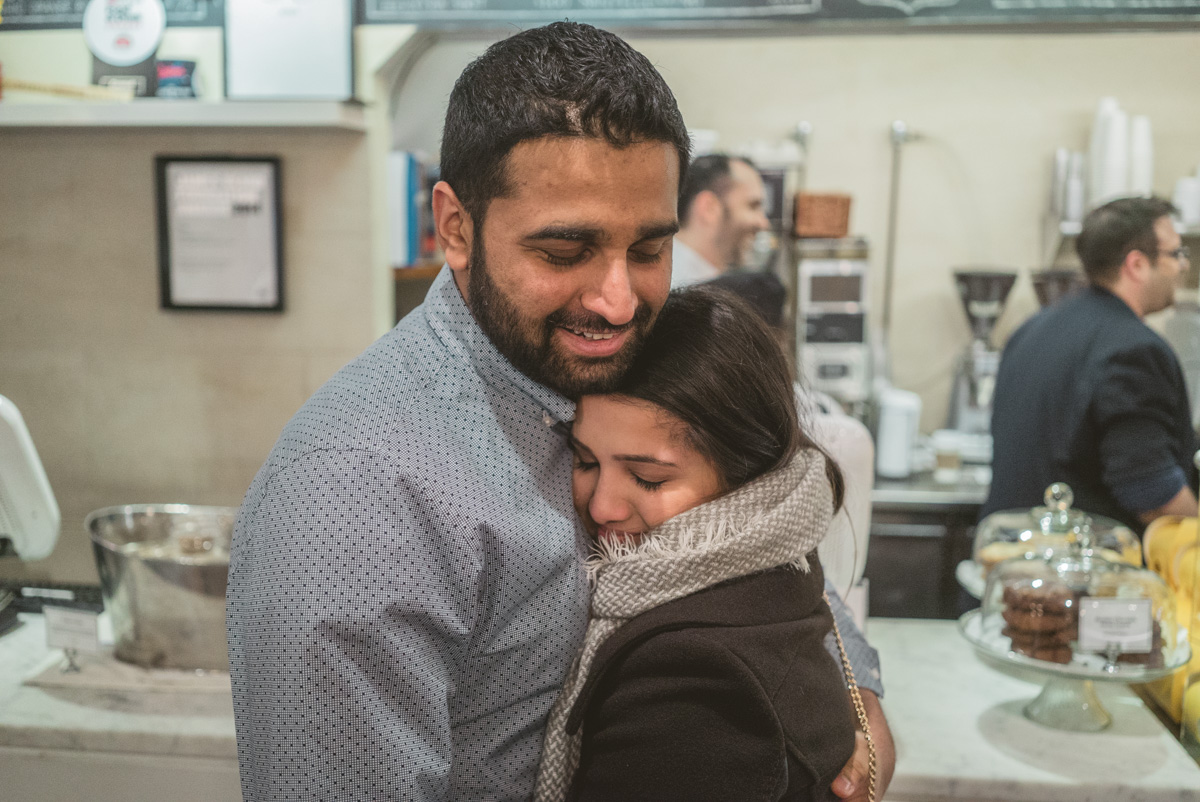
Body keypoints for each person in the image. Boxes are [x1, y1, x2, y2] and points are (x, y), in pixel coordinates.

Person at [227, 22, 890, 802]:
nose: (617, 299)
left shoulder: (621, 351)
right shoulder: (359, 499)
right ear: (456, 227)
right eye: (563, 251)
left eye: (648, 249)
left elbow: (763, 510)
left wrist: (856, 677)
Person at [535, 286, 870, 802]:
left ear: (744, 476)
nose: (602, 507)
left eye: (647, 478)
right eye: (584, 461)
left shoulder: (695, 679)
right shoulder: (778, 563)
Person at [983, 196, 1199, 532]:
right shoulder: (1134, 349)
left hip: (1012, 561)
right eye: (1175, 254)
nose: (1183, 266)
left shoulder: (1034, 327)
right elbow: (1153, 495)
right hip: (1083, 573)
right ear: (1137, 264)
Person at [672, 153, 772, 287]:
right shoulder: (674, 290)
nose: (763, 223)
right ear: (709, 208)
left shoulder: (707, 281)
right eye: (752, 206)